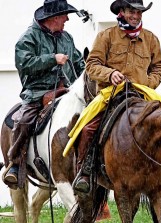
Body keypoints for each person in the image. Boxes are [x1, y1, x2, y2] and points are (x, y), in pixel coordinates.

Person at [71, 0, 161, 194]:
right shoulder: (106, 36)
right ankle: (85, 171)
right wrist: (110, 74)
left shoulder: (151, 39)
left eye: (139, 12)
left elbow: (159, 67)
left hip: (142, 95)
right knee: (88, 127)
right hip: (111, 94)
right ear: (122, 12)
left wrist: (149, 83)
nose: (136, 16)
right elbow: (92, 65)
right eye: (132, 11)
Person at [3, 0, 85, 189]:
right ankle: (15, 164)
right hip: (38, 92)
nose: (66, 19)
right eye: (64, 15)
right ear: (54, 18)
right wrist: (52, 59)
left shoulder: (67, 38)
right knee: (24, 120)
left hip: (67, 89)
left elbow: (79, 62)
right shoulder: (28, 38)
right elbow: (24, 64)